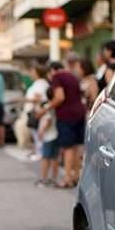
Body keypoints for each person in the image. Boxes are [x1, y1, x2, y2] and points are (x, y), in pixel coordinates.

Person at [43, 60, 87, 189]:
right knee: (76, 147)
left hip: (66, 115)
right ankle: (76, 176)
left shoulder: (57, 77)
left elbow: (60, 97)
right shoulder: (73, 76)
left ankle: (67, 178)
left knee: (67, 147)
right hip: (79, 113)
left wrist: (45, 108)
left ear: (52, 71)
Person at [24, 64, 51, 161]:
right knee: (37, 134)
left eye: (32, 72)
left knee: (39, 134)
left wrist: (26, 100)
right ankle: (38, 152)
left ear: (37, 73)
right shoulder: (38, 83)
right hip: (35, 112)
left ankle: (40, 153)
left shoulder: (41, 84)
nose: (30, 74)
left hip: (38, 113)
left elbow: (39, 98)